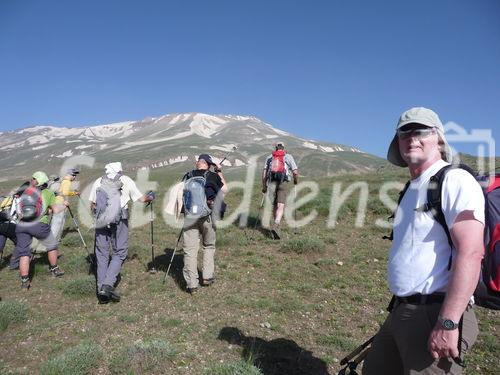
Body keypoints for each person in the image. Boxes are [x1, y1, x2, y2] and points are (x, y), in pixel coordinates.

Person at [363, 107, 485, 374]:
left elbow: (472, 252)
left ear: (438, 139)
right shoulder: (411, 188)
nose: (412, 137)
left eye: (420, 131)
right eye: (404, 132)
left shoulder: (455, 180)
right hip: (401, 310)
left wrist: (449, 323)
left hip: (436, 314)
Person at [88, 162, 154, 303]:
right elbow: (142, 199)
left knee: (102, 254)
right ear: (119, 170)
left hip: (100, 221)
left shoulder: (99, 181)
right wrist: (151, 197)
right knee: (120, 252)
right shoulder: (125, 180)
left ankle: (101, 292)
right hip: (119, 220)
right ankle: (107, 285)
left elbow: (92, 204)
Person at [181, 154, 227, 294]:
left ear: (198, 163)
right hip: (208, 216)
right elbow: (225, 190)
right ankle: (207, 277)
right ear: (208, 164)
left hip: (190, 216)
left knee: (190, 250)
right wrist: (219, 171)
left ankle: (192, 284)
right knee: (208, 246)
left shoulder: (187, 175)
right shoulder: (212, 175)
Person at [14, 171, 65, 290]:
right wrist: (64, 204)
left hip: (22, 224)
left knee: (24, 253)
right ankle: (54, 269)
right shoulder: (48, 193)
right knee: (52, 245)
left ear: (34, 180)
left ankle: (25, 281)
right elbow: (56, 210)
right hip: (39, 224)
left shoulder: (26, 191)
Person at [262, 142, 298, 237]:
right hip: (283, 182)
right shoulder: (288, 156)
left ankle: (275, 225)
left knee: (274, 205)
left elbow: (264, 173)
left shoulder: (270, 157)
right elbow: (295, 171)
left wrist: (264, 186)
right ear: (284, 148)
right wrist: (295, 181)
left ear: (276, 148)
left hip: (271, 182)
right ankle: (276, 224)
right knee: (280, 205)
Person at [51, 168, 80, 243]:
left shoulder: (63, 181)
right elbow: (65, 193)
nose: (75, 177)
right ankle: (52, 240)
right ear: (70, 175)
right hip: (60, 203)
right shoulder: (67, 182)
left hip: (58, 202)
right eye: (74, 175)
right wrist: (74, 193)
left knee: (58, 221)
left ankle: (56, 239)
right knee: (57, 222)